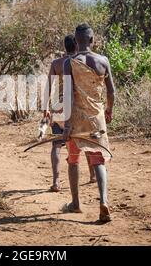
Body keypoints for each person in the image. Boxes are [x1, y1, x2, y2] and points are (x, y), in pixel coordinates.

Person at [62, 23, 115, 222]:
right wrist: (108, 111)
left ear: (75, 42)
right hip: (96, 118)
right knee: (98, 159)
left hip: (76, 119)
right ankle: (104, 201)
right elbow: (111, 92)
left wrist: (67, 124)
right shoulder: (103, 61)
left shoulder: (70, 63)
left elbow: (67, 96)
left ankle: (75, 204)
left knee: (73, 159)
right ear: (92, 40)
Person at [44, 34, 96, 193]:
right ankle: (93, 175)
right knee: (84, 141)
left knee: (56, 144)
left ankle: (56, 181)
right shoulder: (82, 62)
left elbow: (48, 86)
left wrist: (45, 109)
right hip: (79, 108)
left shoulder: (57, 63)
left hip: (60, 108)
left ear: (64, 46)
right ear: (77, 45)